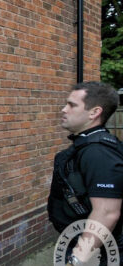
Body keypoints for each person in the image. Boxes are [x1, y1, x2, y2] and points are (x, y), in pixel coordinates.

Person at [47, 81, 123, 265]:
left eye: (72, 105)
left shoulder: (99, 152)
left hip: (100, 253)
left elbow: (106, 212)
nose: (64, 109)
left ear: (94, 112)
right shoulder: (86, 145)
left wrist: (77, 259)